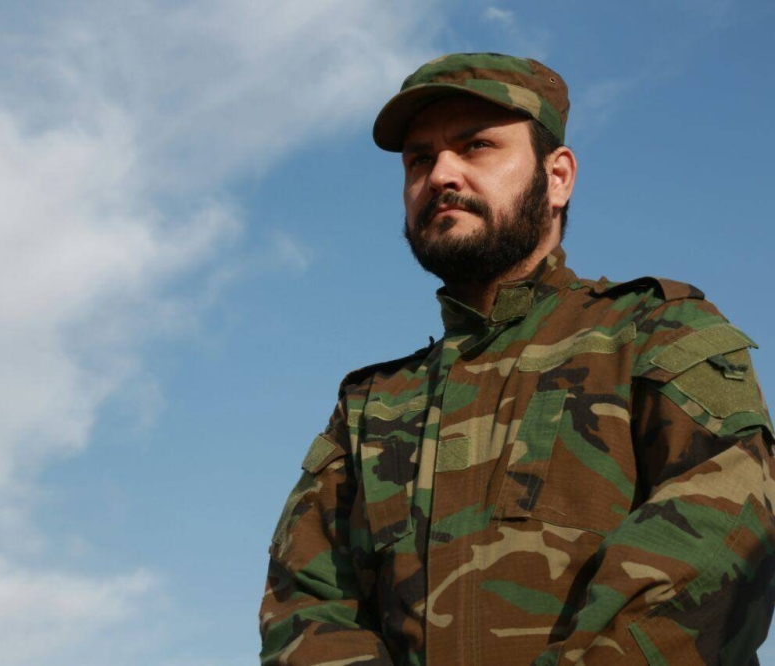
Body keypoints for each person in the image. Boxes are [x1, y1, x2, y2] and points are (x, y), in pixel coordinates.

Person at [259, 52, 775, 665]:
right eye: (419, 159)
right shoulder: (369, 409)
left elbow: (728, 536)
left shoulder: (653, 332)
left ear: (557, 178)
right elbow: (306, 603)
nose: (441, 174)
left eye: (476, 146)